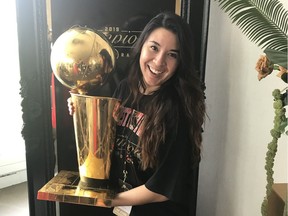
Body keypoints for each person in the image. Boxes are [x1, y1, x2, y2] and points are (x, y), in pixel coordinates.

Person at [68, 11, 206, 216]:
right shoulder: (125, 88)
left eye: (172, 54)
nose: (159, 62)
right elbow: (107, 141)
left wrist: (107, 199)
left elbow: (162, 189)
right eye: (154, 48)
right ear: (141, 46)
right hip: (121, 206)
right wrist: (83, 112)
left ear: (180, 62)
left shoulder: (178, 110)